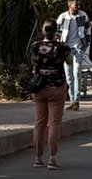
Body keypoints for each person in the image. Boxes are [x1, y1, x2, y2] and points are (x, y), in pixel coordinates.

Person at [28, 20, 71, 169]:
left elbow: (34, 63)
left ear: (43, 31)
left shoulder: (35, 47)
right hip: (56, 87)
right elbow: (70, 62)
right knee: (54, 122)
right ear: (56, 31)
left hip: (38, 87)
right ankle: (52, 158)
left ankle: (37, 158)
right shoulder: (62, 47)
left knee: (39, 122)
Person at [56, 0, 90, 110]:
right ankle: (72, 101)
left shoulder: (83, 16)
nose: (77, 7)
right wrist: (59, 46)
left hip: (78, 47)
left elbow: (88, 31)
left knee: (77, 73)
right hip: (67, 48)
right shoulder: (63, 17)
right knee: (69, 76)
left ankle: (76, 100)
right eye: (75, 5)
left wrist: (85, 45)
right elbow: (57, 32)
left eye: (78, 5)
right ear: (69, 6)